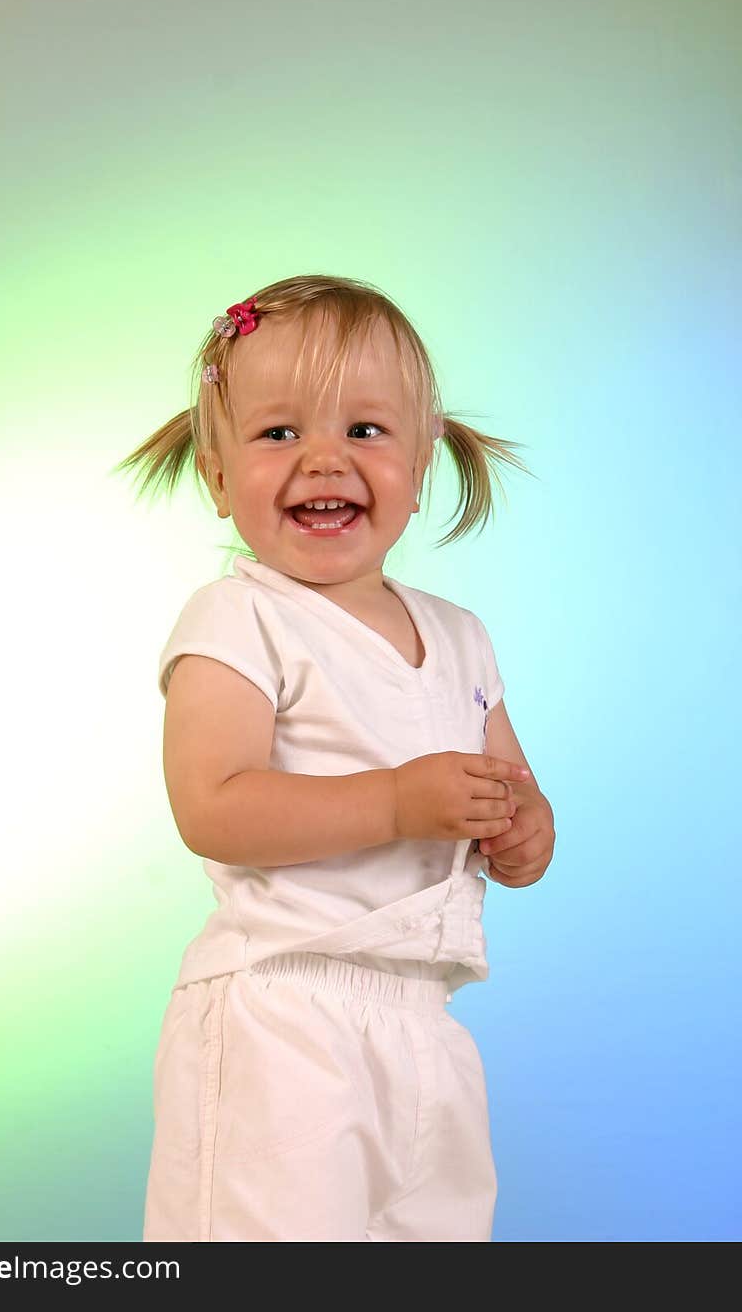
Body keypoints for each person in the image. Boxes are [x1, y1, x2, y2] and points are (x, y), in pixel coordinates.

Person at [118, 273, 556, 1242]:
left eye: (364, 430)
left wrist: (523, 831)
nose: (323, 458)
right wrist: (400, 801)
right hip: (285, 1010)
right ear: (218, 473)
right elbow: (213, 805)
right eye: (279, 433)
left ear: (424, 453)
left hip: (424, 1025)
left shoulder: (460, 636)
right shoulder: (239, 617)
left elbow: (510, 794)